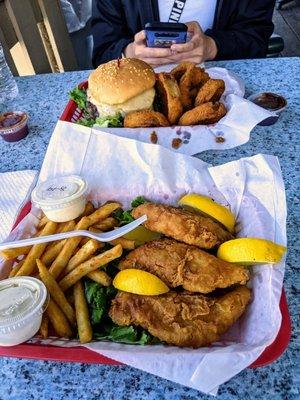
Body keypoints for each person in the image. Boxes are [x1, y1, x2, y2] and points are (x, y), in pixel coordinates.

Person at [91, 0, 276, 67]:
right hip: (140, 94)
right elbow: (102, 54)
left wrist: (213, 47)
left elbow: (257, 39)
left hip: (227, 93)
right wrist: (130, 53)